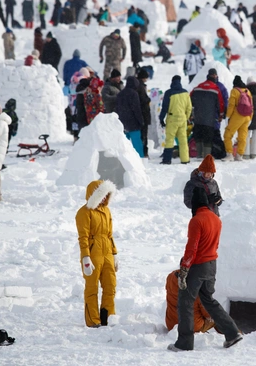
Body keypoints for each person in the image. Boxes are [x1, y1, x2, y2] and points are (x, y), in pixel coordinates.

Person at [168, 187, 242, 352]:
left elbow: (192, 247)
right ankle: (232, 333)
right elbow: (214, 245)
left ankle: (184, 343)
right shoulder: (216, 219)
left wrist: (184, 268)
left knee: (185, 302)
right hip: (212, 265)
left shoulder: (196, 220)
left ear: (195, 203)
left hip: (197, 266)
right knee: (209, 300)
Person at [75, 180, 118, 328]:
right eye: (102, 195)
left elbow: (110, 234)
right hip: (93, 254)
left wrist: (114, 253)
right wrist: (86, 258)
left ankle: (107, 317)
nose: (105, 198)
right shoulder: (84, 213)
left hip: (107, 253)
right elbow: (83, 238)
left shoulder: (107, 211)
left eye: (107, 195)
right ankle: (93, 320)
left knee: (110, 286)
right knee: (92, 287)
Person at [165, 268, 214, 333]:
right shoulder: (195, 287)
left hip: (171, 324)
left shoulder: (171, 277)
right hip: (192, 327)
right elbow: (206, 312)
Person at [190, 72, 224, 159]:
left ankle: (199, 155)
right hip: (209, 119)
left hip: (197, 118)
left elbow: (189, 101)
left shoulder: (197, 88)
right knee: (207, 138)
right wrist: (221, 115)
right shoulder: (216, 90)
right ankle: (206, 156)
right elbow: (221, 104)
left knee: (198, 136)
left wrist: (190, 114)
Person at [159, 75, 192, 165]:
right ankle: (185, 159)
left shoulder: (169, 93)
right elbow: (189, 107)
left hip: (172, 119)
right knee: (183, 140)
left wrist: (161, 119)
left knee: (169, 139)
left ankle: (167, 159)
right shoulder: (185, 92)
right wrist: (186, 117)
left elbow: (164, 108)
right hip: (182, 119)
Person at [222, 76, 253, 162]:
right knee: (242, 137)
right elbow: (251, 106)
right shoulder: (248, 91)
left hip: (237, 116)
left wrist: (227, 116)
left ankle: (229, 154)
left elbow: (231, 105)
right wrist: (250, 117)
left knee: (227, 135)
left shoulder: (234, 91)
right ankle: (239, 155)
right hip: (247, 116)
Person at [115, 76, 145, 157]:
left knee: (124, 145)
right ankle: (140, 159)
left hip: (122, 123)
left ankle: (126, 160)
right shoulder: (134, 94)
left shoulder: (120, 94)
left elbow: (117, 108)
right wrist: (141, 121)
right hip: (133, 123)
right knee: (137, 144)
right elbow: (136, 109)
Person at [136, 69, 151, 158]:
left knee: (141, 134)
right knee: (144, 134)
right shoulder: (140, 87)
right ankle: (144, 152)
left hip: (140, 113)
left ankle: (142, 151)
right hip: (143, 113)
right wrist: (148, 99)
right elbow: (143, 100)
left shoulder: (137, 85)